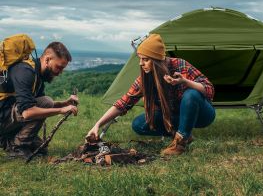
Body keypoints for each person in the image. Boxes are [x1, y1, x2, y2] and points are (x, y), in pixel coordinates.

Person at [86, 34, 215, 156]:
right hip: (174, 116)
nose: (141, 64)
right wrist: (97, 125)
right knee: (139, 124)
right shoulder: (145, 78)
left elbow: (209, 89)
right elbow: (123, 103)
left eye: (146, 60)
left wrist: (185, 81)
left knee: (191, 94)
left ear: (158, 60)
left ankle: (180, 144)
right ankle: (183, 133)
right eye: (140, 59)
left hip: (202, 115)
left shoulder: (180, 65)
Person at [0, 42, 78, 159]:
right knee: (46, 102)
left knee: (41, 148)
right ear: (47, 59)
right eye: (59, 67)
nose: (60, 72)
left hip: (7, 117)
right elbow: (28, 112)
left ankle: (7, 140)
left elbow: (37, 104)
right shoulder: (25, 71)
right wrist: (61, 110)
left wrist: (64, 103)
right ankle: (17, 148)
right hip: (2, 118)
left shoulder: (38, 76)